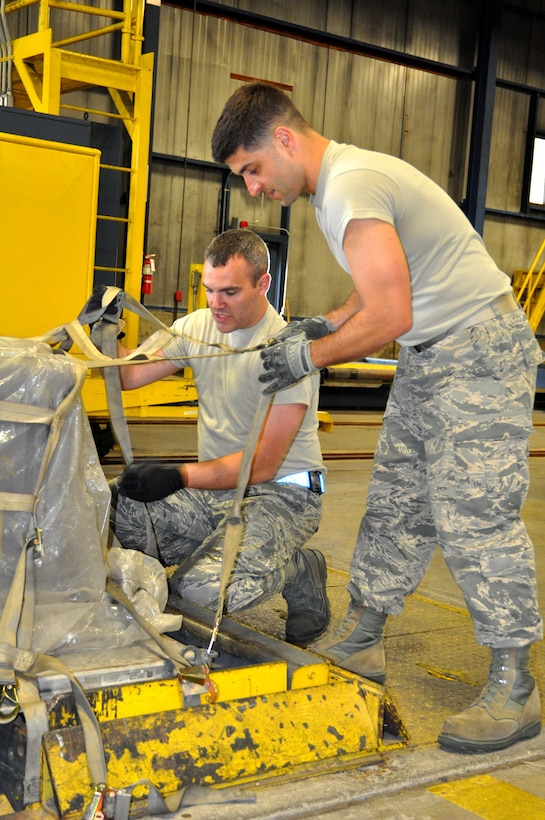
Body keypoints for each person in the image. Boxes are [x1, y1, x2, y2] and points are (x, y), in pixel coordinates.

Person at [211, 82, 544, 753]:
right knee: (394, 502)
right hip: (433, 356)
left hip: (477, 351)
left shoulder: (351, 187)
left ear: (282, 139)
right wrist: (324, 322)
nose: (252, 189)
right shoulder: (343, 187)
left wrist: (310, 356)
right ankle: (362, 638)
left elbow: (391, 317)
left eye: (251, 169)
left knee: (472, 514)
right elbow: (380, 287)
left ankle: (514, 683)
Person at [111, 228, 329, 647]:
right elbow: (130, 374)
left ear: (263, 284)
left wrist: (178, 475)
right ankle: (217, 556)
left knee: (199, 592)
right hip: (216, 491)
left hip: (282, 495)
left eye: (229, 292)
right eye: (210, 290)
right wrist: (109, 331)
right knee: (116, 508)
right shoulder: (199, 325)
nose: (215, 304)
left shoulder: (288, 352)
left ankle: (299, 568)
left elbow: (262, 465)